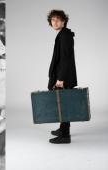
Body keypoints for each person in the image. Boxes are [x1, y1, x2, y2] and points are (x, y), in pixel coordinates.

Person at [47, 10, 77, 144]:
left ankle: (65, 136)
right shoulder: (63, 34)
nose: (55, 22)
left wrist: (60, 79)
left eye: (58, 19)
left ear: (64, 21)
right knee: (63, 103)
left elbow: (66, 58)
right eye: (53, 20)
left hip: (63, 76)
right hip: (63, 75)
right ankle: (63, 129)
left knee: (63, 105)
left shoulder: (65, 35)